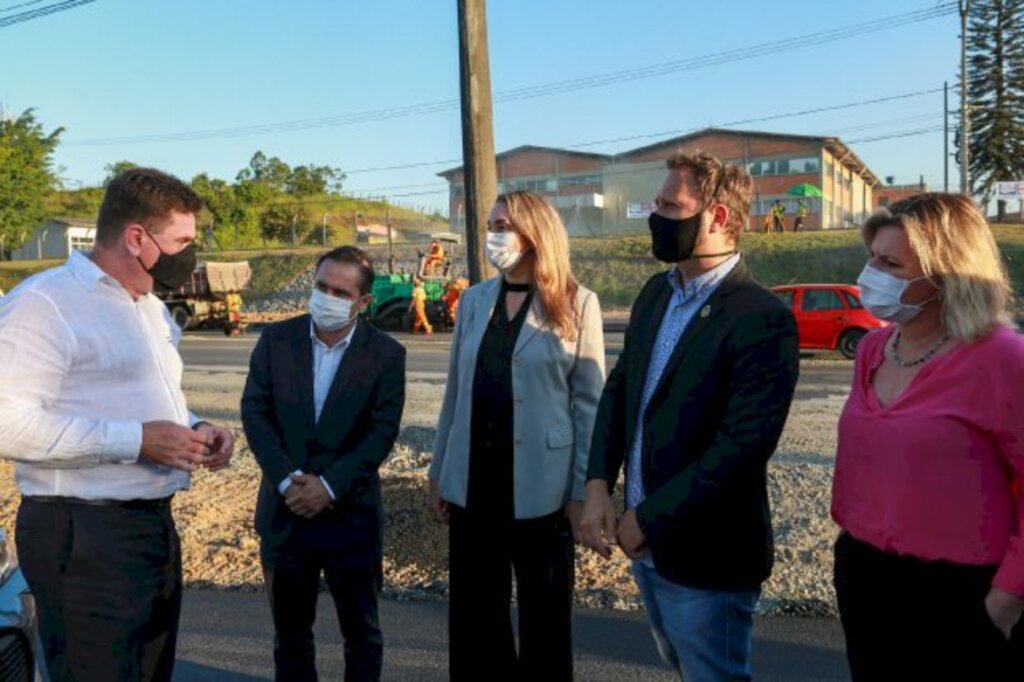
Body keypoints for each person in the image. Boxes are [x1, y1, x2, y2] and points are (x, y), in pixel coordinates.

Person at [0, 167, 235, 682]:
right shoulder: (44, 305)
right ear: (136, 238)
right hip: (82, 536)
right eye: (182, 241)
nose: (191, 254)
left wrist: (197, 429)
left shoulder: (149, 306)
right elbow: (6, 423)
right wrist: (137, 441)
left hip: (149, 530)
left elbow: (150, 402)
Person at [580, 151, 799, 681]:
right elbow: (622, 389)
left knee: (714, 675)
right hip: (647, 548)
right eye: (656, 203)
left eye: (670, 205)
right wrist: (596, 483)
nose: (656, 216)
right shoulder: (657, 292)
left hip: (707, 555)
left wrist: (646, 517)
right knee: (682, 667)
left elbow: (740, 449)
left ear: (719, 217)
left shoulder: (760, 316)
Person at [830, 193, 1024, 680]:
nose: (868, 275)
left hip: (960, 592)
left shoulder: (1003, 358)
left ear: (946, 274)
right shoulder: (873, 348)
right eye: (871, 257)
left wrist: (1006, 598)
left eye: (889, 263)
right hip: (867, 575)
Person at [427, 190, 606, 680]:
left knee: (545, 623)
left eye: (503, 224)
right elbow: (455, 395)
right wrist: (438, 470)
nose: (493, 235)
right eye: (490, 224)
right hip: (473, 486)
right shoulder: (474, 300)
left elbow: (588, 406)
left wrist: (581, 492)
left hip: (542, 492)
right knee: (474, 620)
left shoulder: (577, 302)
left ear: (535, 231)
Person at [242, 245, 406, 682]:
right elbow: (255, 414)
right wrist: (285, 481)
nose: (326, 297)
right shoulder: (276, 340)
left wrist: (329, 486)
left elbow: (381, 433)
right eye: (321, 286)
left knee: (362, 636)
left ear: (362, 302)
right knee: (291, 637)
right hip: (286, 513)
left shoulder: (387, 355)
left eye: (339, 291)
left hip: (350, 516)